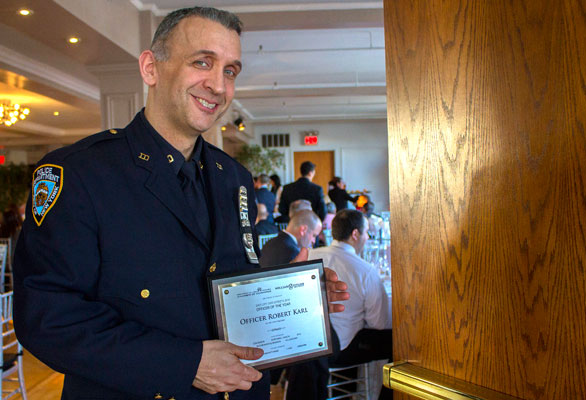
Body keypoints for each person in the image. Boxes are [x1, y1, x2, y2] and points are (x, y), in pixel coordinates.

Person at [12, 7, 348, 400]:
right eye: (202, 62)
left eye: (230, 71)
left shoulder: (233, 176)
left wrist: (292, 292)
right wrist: (184, 363)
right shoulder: (79, 173)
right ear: (151, 68)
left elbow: (228, 278)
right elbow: (48, 318)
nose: (219, 86)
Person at [308, 209, 392, 399]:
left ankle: (343, 392)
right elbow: (378, 324)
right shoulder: (365, 270)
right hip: (340, 351)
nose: (368, 237)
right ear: (355, 234)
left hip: (307, 349)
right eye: (366, 232)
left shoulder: (309, 255)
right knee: (401, 344)